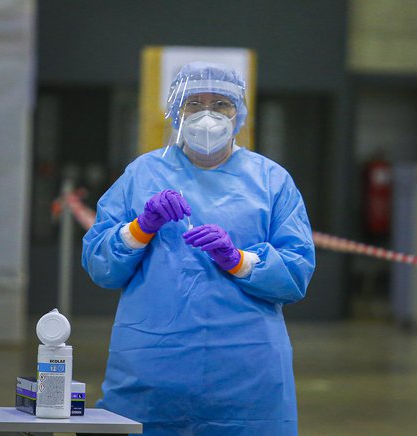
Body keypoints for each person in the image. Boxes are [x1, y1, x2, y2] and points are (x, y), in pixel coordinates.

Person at [82, 61, 315, 435]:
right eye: (194, 103)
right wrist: (142, 228)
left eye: (221, 103)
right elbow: (101, 266)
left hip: (246, 378)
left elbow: (296, 273)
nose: (208, 115)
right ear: (176, 111)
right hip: (151, 374)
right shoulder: (142, 175)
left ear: (238, 114)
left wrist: (239, 260)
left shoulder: (272, 181)